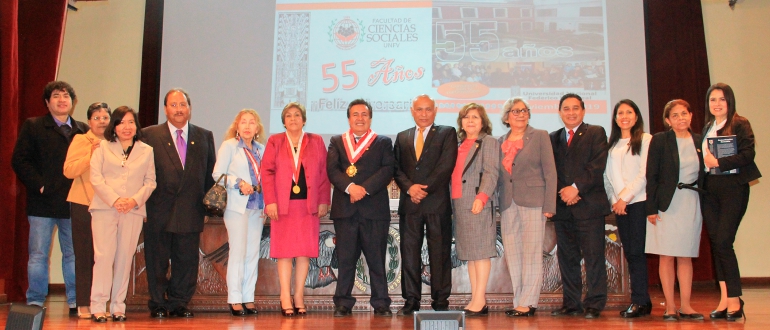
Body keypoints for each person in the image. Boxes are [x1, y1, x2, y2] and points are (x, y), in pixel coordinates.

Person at [12, 81, 88, 314]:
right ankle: (35, 300)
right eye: (56, 96)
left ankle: (75, 300)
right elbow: (19, 160)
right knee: (38, 254)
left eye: (66, 96)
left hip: (73, 203)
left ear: (73, 102)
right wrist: (40, 186)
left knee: (73, 254)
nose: (62, 100)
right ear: (47, 102)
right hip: (42, 203)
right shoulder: (33, 126)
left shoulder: (82, 129)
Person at [141, 88, 216, 318]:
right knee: (157, 259)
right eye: (173, 105)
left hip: (191, 209)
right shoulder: (149, 135)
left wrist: (206, 207)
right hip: (158, 209)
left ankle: (179, 302)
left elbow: (209, 176)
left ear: (189, 109)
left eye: (182, 105)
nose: (179, 109)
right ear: (165, 109)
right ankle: (158, 303)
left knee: (186, 260)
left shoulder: (204, 136)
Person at [326, 99, 395, 317]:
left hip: (374, 210)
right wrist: (349, 188)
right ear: (349, 118)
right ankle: (343, 303)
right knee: (346, 259)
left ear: (370, 118)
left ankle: (381, 303)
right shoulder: (337, 141)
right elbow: (332, 170)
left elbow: (387, 170)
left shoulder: (383, 142)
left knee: (376, 259)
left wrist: (363, 189)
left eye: (364, 114)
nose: (360, 118)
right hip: (345, 210)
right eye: (355, 114)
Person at [262, 102, 331, 317]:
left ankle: (299, 295)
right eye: (289, 116)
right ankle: (285, 296)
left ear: (304, 119)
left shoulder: (316, 140)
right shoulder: (275, 141)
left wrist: (323, 200)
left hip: (307, 205)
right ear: (283, 121)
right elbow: (267, 172)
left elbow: (323, 173)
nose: (293, 119)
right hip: (283, 206)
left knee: (304, 252)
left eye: (297, 115)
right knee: (284, 253)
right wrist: (270, 201)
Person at [88, 106, 156, 322]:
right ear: (114, 127)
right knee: (103, 257)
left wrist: (134, 200)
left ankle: (118, 306)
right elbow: (96, 178)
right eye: (121, 122)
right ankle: (98, 306)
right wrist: (115, 200)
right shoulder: (102, 147)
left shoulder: (146, 150)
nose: (126, 127)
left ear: (136, 126)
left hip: (133, 210)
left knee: (125, 259)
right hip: (105, 208)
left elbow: (150, 181)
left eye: (131, 122)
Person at [700, 83, 761, 321]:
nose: (717, 104)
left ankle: (735, 300)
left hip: (733, 189)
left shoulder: (739, 123)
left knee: (725, 241)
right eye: (712, 100)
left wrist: (719, 163)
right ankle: (725, 299)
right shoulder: (707, 127)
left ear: (730, 102)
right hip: (709, 191)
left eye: (722, 100)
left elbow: (748, 154)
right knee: (717, 244)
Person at [393, 94, 458, 315]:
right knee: (409, 253)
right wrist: (410, 188)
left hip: (436, 204)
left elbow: (445, 166)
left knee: (439, 253)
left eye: (428, 109)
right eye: (419, 109)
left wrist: (423, 189)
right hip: (410, 205)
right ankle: (411, 300)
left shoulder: (447, 133)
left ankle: (440, 300)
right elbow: (396, 168)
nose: (423, 114)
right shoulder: (402, 137)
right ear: (412, 111)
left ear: (435, 110)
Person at [549, 93, 609, 319]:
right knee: (567, 258)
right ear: (559, 112)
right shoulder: (553, 137)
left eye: (575, 108)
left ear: (583, 111)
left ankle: (594, 303)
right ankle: (571, 303)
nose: (571, 112)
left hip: (589, 206)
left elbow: (597, 165)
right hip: (563, 207)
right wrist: (564, 192)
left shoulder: (595, 132)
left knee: (594, 256)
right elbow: (549, 170)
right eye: (566, 108)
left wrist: (575, 188)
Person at [497, 97, 556, 317]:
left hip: (534, 201)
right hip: (507, 202)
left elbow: (550, 172)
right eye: (515, 111)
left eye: (524, 110)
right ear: (506, 117)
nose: (520, 114)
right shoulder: (500, 140)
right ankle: (518, 299)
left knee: (531, 253)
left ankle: (529, 302)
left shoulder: (539, 136)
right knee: (513, 254)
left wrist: (550, 204)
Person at [645, 99, 704, 321]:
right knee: (667, 255)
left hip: (691, 201)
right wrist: (651, 208)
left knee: (686, 255)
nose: (681, 118)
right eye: (676, 115)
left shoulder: (699, 140)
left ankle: (686, 305)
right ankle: (670, 306)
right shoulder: (660, 141)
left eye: (684, 113)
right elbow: (651, 176)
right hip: (665, 204)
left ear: (691, 115)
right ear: (668, 120)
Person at [212, 109, 266, 316]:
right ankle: (234, 298)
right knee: (238, 252)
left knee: (252, 253)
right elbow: (217, 174)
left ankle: (247, 298)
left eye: (252, 122)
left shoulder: (261, 149)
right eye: (243, 122)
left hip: (257, 206)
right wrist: (238, 182)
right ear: (237, 126)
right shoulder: (230, 147)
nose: (247, 126)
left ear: (257, 128)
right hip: (237, 206)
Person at [602, 99, 652, 318]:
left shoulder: (646, 140)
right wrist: (615, 200)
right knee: (630, 253)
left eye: (629, 112)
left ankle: (640, 301)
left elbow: (644, 174)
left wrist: (625, 198)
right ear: (614, 118)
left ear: (636, 115)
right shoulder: (611, 145)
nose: (624, 116)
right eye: (620, 113)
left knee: (637, 253)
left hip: (638, 203)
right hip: (619, 206)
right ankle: (641, 300)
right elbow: (606, 177)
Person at [63, 102, 111, 318]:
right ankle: (84, 302)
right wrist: (91, 154)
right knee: (84, 254)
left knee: (105, 256)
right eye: (97, 118)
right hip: (84, 203)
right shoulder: (81, 140)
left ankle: (101, 302)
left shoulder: (115, 142)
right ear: (89, 121)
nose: (102, 121)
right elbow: (69, 170)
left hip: (109, 205)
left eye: (105, 118)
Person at [450, 103, 499, 316]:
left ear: (483, 122)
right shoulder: (458, 144)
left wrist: (482, 197)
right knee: (470, 254)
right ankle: (475, 297)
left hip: (477, 202)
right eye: (467, 117)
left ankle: (480, 300)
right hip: (459, 204)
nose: (470, 121)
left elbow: (491, 172)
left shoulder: (488, 142)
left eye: (475, 117)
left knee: (480, 253)